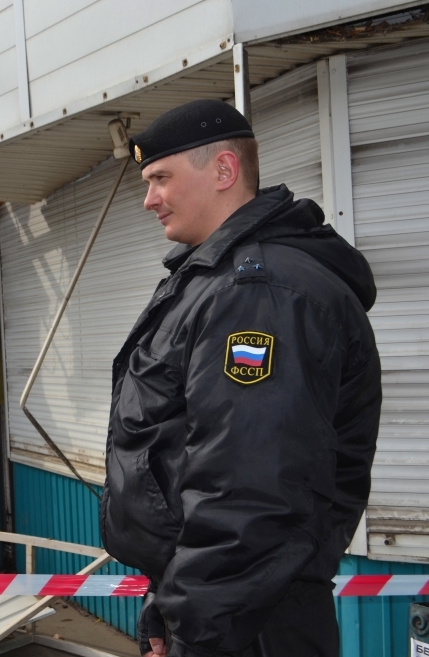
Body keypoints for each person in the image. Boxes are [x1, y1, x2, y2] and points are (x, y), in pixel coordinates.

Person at [102, 100, 381, 657]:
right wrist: (167, 599)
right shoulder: (217, 280)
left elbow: (252, 497)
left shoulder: (259, 294)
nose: (148, 199)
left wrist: (196, 635)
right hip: (231, 608)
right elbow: (190, 458)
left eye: (161, 178)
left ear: (224, 170)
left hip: (248, 625)